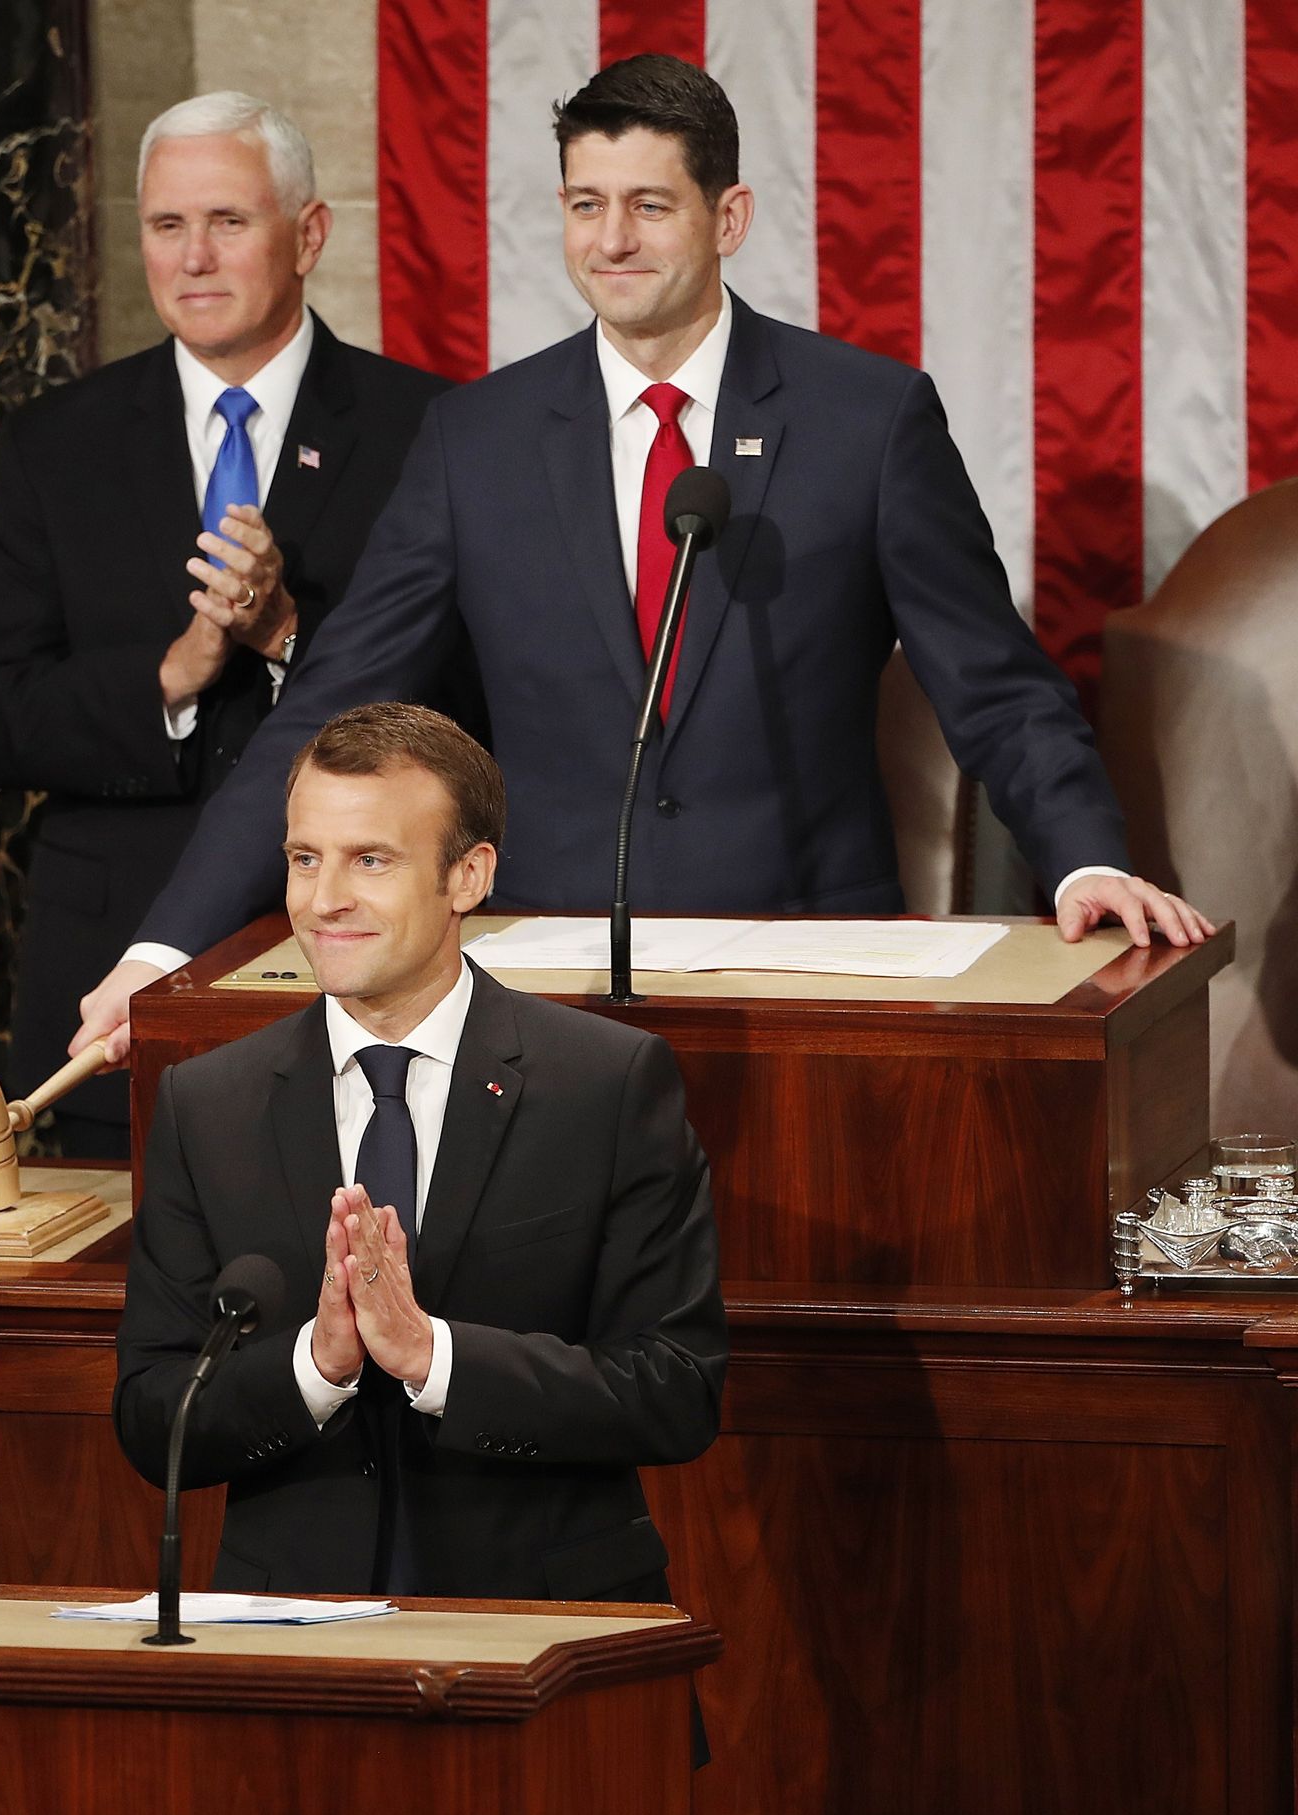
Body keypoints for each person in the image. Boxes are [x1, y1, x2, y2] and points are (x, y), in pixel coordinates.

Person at [73, 54, 1210, 1070]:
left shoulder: (865, 421)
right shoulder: (477, 441)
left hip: (810, 966)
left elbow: (995, 686)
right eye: (586, 204)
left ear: (728, 217)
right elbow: (328, 707)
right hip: (546, 984)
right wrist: (163, 951)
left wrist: (1084, 863)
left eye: (649, 205)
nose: (611, 240)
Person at [113, 703, 726, 1602]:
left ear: (467, 875)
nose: (324, 899)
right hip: (297, 1634)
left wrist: (434, 1355)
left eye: (371, 860)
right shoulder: (209, 1104)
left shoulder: (606, 1083)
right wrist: (315, 1365)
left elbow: (675, 1387)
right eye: (304, 858)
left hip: (540, 1624)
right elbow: (151, 1410)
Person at [0, 92, 459, 1155]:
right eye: (166, 225)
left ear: (308, 235)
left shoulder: (432, 429)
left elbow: (474, 707)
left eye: (228, 221)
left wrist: (285, 636)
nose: (193, 258)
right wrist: (168, 678)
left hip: (355, 979)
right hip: (119, 990)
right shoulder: (59, 442)